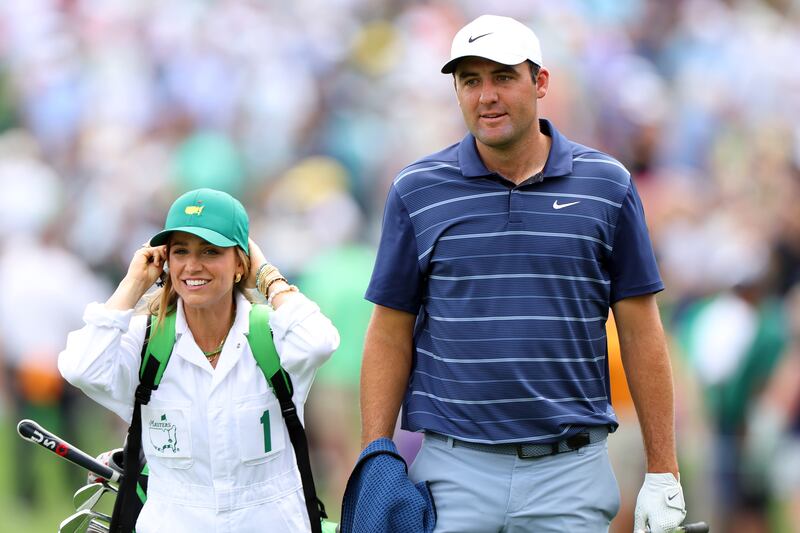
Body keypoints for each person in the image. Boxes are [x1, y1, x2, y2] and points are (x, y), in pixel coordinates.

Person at [359, 14, 687, 533]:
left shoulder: (608, 186)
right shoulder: (417, 190)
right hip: (453, 471)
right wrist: (375, 458)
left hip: (570, 473)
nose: (486, 95)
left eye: (503, 77)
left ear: (540, 83)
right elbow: (390, 330)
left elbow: (642, 330)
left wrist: (663, 471)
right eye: (470, 81)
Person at [58, 188, 340, 533]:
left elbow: (319, 343)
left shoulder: (270, 336)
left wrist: (268, 276)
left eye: (211, 251)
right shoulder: (148, 342)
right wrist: (133, 283)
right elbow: (81, 367)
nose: (193, 266)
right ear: (165, 261)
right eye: (180, 252)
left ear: (241, 264)